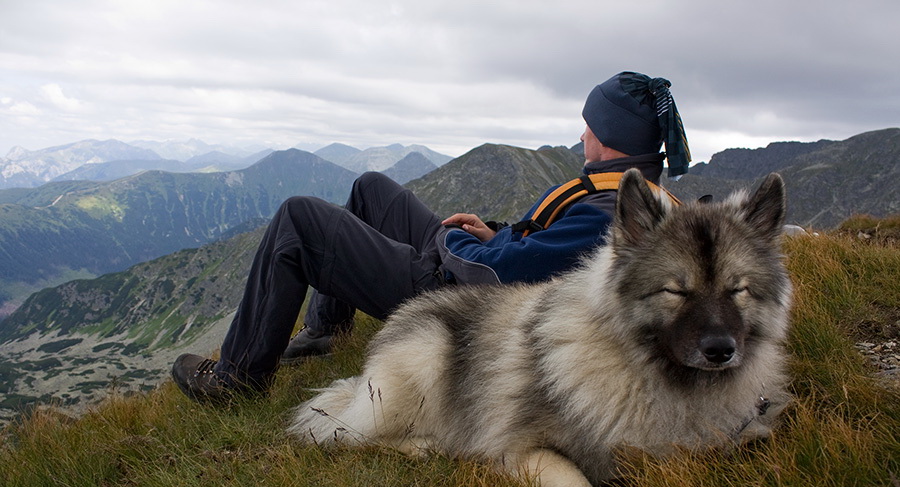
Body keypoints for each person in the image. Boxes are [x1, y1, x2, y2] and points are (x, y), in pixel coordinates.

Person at [172, 71, 691, 403]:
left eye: (588, 125)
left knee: (298, 220)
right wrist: (495, 233)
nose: (581, 134)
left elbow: (501, 273)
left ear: (610, 135)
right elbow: (539, 253)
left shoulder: (609, 212)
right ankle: (328, 328)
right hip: (472, 274)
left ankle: (236, 383)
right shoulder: (639, 198)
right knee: (371, 188)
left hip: (455, 298)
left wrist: (456, 245)